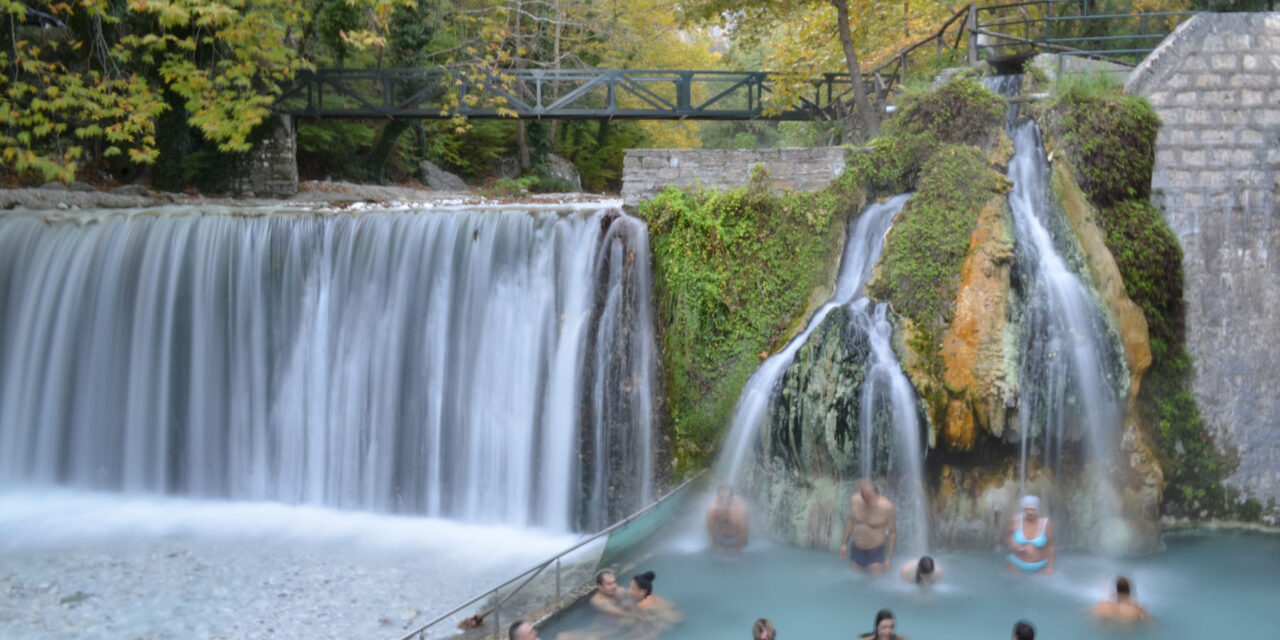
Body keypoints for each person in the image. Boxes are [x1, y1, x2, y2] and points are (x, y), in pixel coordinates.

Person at [839, 479, 896, 575]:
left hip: (876, 552)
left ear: (876, 495)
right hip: (857, 550)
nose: (867, 501)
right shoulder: (855, 501)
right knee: (854, 579)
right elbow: (850, 522)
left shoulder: (887, 507)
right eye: (864, 498)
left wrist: (889, 558)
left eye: (870, 498)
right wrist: (844, 544)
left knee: (875, 583)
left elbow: (892, 533)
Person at [1004, 495, 1055, 575]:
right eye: (1026, 509)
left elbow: (1051, 546)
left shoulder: (1045, 523)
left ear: (1037, 510)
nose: (1029, 512)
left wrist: (1050, 566)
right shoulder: (1016, 520)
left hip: (1040, 566)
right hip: (1016, 564)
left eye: (1032, 509)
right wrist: (1014, 545)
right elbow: (1007, 537)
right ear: (1022, 510)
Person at [706, 485, 749, 552]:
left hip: (737, 538)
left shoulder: (740, 508)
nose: (724, 500)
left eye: (727, 497)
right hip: (721, 538)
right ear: (718, 497)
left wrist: (738, 548)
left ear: (731, 497)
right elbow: (710, 527)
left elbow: (744, 530)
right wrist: (716, 544)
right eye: (722, 497)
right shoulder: (713, 508)